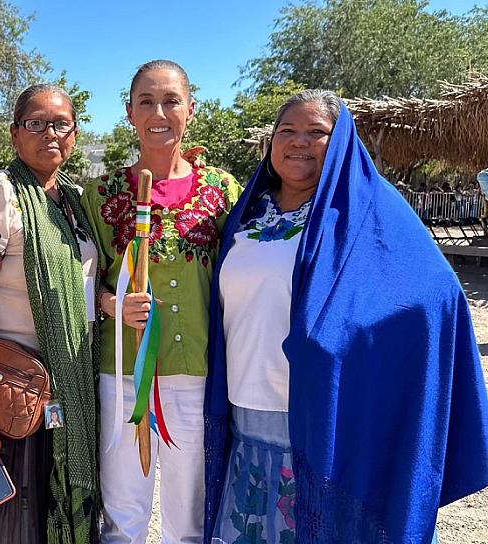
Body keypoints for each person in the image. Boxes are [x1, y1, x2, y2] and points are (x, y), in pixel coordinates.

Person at [204, 90, 488, 543]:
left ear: (341, 143)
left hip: (328, 415)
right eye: (287, 131)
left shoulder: (371, 209)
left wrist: (338, 340)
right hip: (246, 412)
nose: (299, 141)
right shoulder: (248, 214)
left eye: (317, 132)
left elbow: (437, 297)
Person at [80, 60, 242, 543]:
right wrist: (112, 305)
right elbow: (81, 279)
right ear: (129, 112)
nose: (159, 111)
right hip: (123, 374)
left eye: (171, 100)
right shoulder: (100, 193)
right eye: (146, 101)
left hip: (195, 374)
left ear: (190, 110)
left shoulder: (222, 190)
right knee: (123, 513)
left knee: (187, 515)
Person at [0, 84, 99, 543]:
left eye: (61, 124)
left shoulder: (76, 202)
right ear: (15, 135)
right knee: (14, 526)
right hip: (13, 396)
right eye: (35, 123)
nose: (49, 133)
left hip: (71, 390)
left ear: (74, 135)